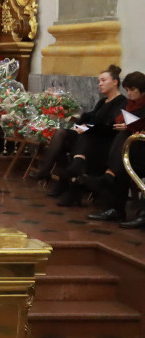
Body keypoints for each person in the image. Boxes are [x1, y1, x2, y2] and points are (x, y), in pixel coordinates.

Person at [31, 65, 127, 206]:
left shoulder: (121, 101)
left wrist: (87, 127)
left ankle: (67, 181)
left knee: (84, 137)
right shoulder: (102, 101)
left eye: (103, 80)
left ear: (115, 82)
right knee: (61, 134)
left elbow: (108, 124)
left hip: (104, 142)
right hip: (90, 137)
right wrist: (83, 124)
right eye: (99, 81)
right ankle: (50, 172)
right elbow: (89, 117)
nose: (100, 84)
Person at [81, 71, 145, 223]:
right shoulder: (130, 104)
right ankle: (116, 208)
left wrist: (133, 128)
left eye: (131, 90)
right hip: (132, 149)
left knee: (123, 146)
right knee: (122, 159)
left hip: (141, 151)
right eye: (127, 90)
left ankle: (109, 181)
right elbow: (116, 119)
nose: (128, 93)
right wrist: (128, 125)